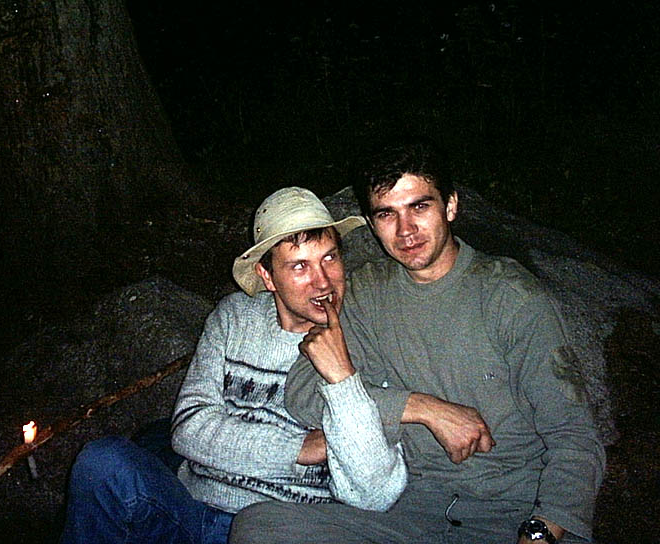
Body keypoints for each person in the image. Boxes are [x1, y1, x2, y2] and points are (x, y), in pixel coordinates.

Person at [230, 138, 606, 544]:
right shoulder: (367, 293)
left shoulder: (512, 298)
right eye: (387, 214)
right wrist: (421, 408)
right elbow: (302, 392)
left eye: (419, 207)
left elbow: (575, 437)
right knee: (259, 527)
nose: (405, 230)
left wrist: (540, 532)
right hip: (414, 514)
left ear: (450, 206)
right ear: (372, 224)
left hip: (514, 510)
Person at [60, 187, 407, 544]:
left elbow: (375, 494)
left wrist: (342, 378)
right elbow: (189, 427)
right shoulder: (235, 317)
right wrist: (300, 448)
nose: (322, 281)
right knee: (102, 462)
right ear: (267, 276)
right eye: (300, 266)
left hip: (280, 530)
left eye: (329, 258)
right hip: (191, 508)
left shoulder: (368, 334)